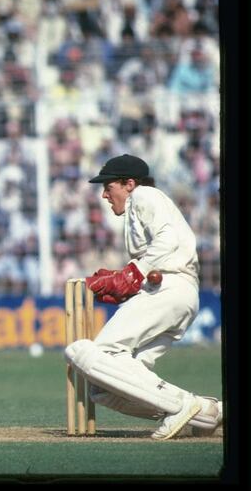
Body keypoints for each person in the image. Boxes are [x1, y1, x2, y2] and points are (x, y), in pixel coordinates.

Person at [64, 154, 222, 440]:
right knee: (104, 388)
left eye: (108, 187)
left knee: (85, 352)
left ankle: (184, 405)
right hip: (175, 293)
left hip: (169, 288)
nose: (104, 195)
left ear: (129, 183)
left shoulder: (144, 195)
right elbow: (160, 252)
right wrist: (129, 283)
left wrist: (133, 273)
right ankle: (206, 414)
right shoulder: (141, 202)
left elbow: (168, 240)